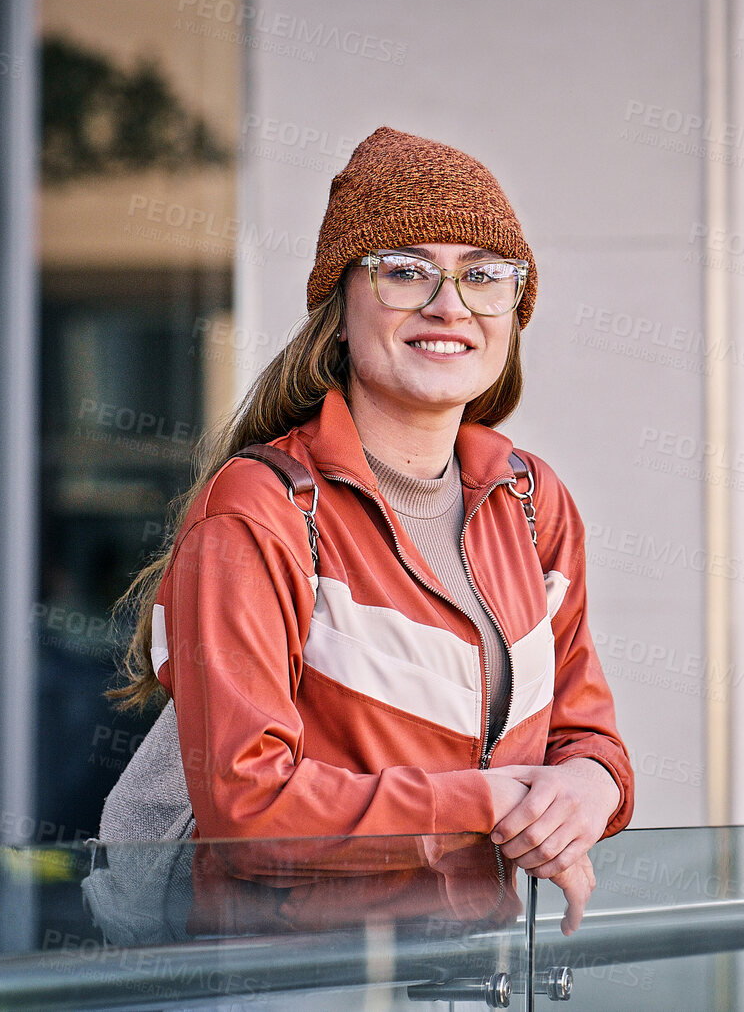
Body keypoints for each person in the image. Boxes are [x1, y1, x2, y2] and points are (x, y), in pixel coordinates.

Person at [107, 127, 634, 934]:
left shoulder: (530, 502)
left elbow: (581, 726)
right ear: (340, 310)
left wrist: (596, 784)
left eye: (483, 276)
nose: (448, 304)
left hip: (481, 967)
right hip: (294, 980)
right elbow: (248, 807)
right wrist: (487, 803)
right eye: (404, 272)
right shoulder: (258, 509)